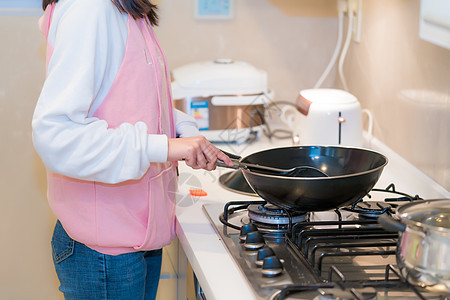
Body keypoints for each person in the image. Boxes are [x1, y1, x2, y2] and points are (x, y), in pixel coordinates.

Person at [32, 0, 232, 299]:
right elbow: (58, 135)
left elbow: (130, 103)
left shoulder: (125, 11)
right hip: (104, 251)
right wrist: (163, 146)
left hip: (137, 231)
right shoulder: (91, 9)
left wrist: (183, 130)